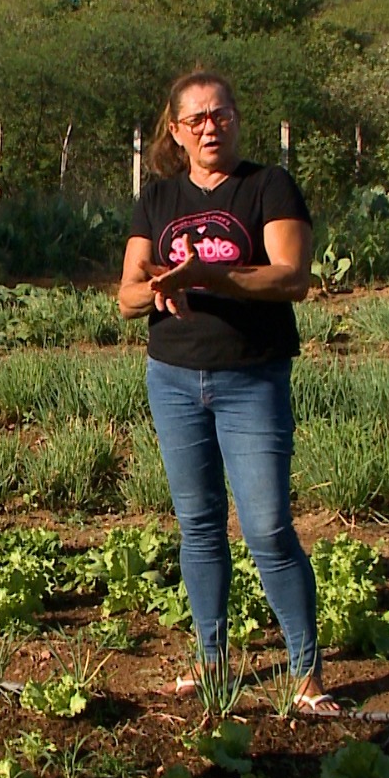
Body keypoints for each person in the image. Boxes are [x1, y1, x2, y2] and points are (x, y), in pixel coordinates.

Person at [117, 69, 338, 714]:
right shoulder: (157, 200)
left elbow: (292, 277)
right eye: (196, 120)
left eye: (221, 115)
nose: (210, 127)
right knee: (199, 526)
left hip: (252, 377)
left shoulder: (268, 186)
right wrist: (160, 288)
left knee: (268, 527)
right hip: (175, 378)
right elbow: (127, 296)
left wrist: (212, 275)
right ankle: (209, 660)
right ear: (177, 132)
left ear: (237, 120)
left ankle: (306, 674)